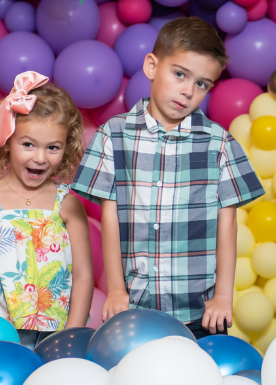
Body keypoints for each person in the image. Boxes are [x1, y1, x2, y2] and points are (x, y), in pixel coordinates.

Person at [72, 17, 264, 339]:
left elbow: (227, 222)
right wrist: (116, 290)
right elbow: (110, 216)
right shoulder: (113, 135)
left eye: (202, 84)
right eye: (180, 74)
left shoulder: (218, 142)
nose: (188, 91)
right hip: (135, 307)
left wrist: (222, 296)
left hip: (200, 312)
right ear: (152, 66)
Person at [0, 72, 93, 349]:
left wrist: (72, 335)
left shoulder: (67, 205)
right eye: (28, 144)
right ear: (8, 140)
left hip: (58, 332)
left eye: (53, 147)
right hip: (2, 333)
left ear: (66, 148)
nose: (40, 158)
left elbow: (83, 276)